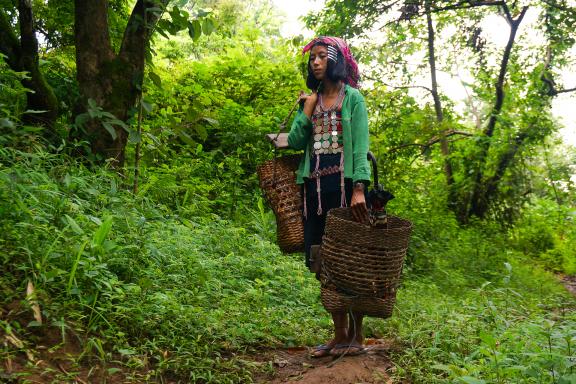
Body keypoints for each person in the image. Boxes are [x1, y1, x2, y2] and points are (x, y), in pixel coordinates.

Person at [287, 36, 371, 357]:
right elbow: (295, 141)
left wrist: (359, 189)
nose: (316, 62)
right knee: (323, 262)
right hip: (316, 192)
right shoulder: (313, 100)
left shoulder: (353, 100)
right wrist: (305, 111)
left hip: (345, 190)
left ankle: (357, 335)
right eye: (313, 58)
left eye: (322, 57)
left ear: (335, 61)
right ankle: (338, 334)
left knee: (351, 261)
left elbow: (360, 146)